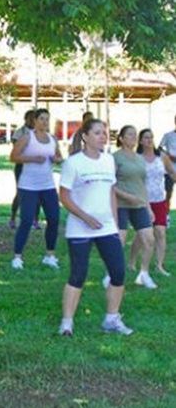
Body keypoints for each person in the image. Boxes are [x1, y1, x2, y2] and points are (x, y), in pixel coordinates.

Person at [58, 118, 133, 337]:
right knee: (78, 274)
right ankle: (67, 322)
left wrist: (115, 224)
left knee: (118, 272)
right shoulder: (74, 163)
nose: (103, 136)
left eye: (105, 132)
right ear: (86, 137)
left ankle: (111, 318)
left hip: (107, 227)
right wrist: (85, 217)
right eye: (98, 133)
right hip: (80, 227)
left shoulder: (108, 160)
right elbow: (64, 195)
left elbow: (111, 191)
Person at [9, 108, 63, 270]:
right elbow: (13, 157)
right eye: (41, 119)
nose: (45, 122)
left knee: (53, 219)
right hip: (28, 186)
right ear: (35, 121)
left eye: (47, 119)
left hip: (47, 185)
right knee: (26, 220)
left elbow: (58, 156)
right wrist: (32, 158)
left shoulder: (52, 139)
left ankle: (50, 255)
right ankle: (17, 257)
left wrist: (56, 159)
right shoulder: (27, 137)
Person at [106, 126, 156, 289]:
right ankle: (110, 274)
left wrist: (148, 207)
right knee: (119, 241)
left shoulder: (139, 158)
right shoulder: (115, 158)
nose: (133, 138)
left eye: (135, 135)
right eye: (130, 135)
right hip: (120, 205)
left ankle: (143, 274)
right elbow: (110, 184)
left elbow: (142, 184)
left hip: (140, 204)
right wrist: (128, 197)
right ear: (121, 138)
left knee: (149, 240)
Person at [132, 129, 176, 277]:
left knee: (161, 232)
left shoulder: (161, 157)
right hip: (143, 201)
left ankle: (159, 265)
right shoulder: (137, 158)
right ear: (140, 141)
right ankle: (132, 262)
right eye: (146, 138)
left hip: (159, 200)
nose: (149, 140)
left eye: (151, 137)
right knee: (142, 235)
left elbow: (171, 172)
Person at [9, 110, 40, 230]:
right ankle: (13, 218)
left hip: (36, 166)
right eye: (31, 118)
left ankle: (35, 220)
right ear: (26, 119)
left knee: (37, 194)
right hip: (22, 165)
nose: (33, 121)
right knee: (20, 193)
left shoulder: (39, 133)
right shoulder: (19, 132)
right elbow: (17, 150)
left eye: (34, 118)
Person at [158, 115, 176, 214]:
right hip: (170, 169)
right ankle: (166, 215)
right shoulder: (168, 135)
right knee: (168, 193)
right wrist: (168, 156)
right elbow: (159, 148)